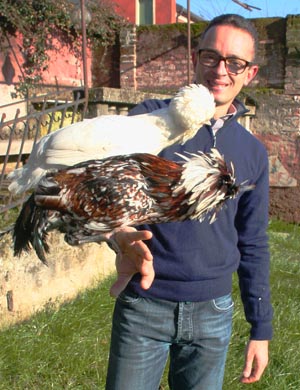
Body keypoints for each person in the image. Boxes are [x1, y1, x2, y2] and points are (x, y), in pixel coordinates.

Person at [106, 14, 273, 390]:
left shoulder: (251, 154)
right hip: (145, 304)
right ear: (196, 59)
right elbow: (109, 196)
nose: (221, 70)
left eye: (235, 62)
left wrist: (260, 328)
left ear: (251, 73)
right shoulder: (149, 122)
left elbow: (254, 243)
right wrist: (119, 235)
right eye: (211, 57)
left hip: (212, 313)